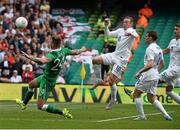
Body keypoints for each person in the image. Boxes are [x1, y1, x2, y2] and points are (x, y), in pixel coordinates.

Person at [16, 34, 87, 119]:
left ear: (53, 43)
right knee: (31, 84)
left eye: (51, 41)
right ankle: (24, 104)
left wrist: (29, 57)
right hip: (46, 77)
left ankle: (62, 112)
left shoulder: (52, 55)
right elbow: (76, 52)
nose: (49, 43)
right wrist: (83, 49)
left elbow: (42, 61)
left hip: (47, 81)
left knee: (40, 106)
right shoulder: (64, 50)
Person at [90, 16, 139, 110]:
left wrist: (130, 33)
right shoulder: (120, 31)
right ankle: (98, 79)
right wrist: (106, 26)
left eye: (126, 22)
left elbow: (136, 36)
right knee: (94, 60)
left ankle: (113, 100)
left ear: (130, 23)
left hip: (121, 60)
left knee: (111, 81)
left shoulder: (132, 31)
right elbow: (108, 34)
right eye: (124, 22)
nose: (124, 23)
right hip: (114, 55)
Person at [124, 31, 172, 120]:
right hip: (155, 75)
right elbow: (162, 64)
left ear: (151, 38)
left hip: (149, 74)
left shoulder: (150, 49)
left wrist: (139, 72)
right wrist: (155, 72)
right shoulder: (158, 48)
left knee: (136, 94)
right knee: (151, 98)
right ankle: (166, 115)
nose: (145, 38)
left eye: (146, 36)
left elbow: (150, 64)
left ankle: (142, 116)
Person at [159, 23, 180, 104]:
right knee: (168, 91)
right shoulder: (172, 41)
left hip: (176, 69)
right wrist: (157, 52)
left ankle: (135, 92)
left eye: (177, 29)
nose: (174, 31)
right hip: (170, 68)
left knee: (156, 79)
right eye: (174, 29)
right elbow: (167, 50)